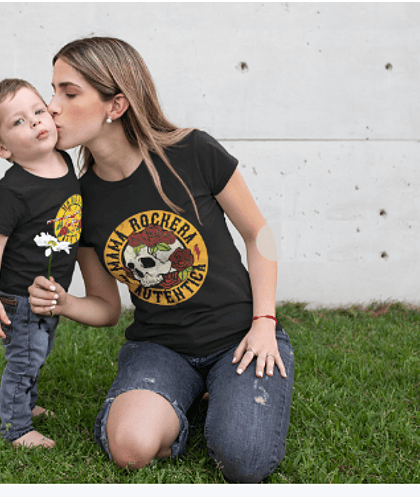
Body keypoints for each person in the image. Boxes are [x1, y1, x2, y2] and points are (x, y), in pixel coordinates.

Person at [28, 37, 294, 483]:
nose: (51, 107)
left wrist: (264, 322)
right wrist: (65, 302)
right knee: (129, 448)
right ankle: (188, 396)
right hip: (160, 346)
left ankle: (219, 394)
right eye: (52, 90)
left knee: (244, 462)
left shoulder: (192, 152)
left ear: (116, 104)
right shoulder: (81, 200)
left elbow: (258, 233)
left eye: (68, 93)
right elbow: (107, 308)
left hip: (240, 337)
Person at [0, 78, 82, 449]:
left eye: (38, 111)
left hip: (49, 293)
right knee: (25, 357)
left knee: (41, 350)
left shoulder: (64, 161)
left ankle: (27, 402)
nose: (36, 122)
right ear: (1, 148)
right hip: (19, 297)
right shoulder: (13, 189)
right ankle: (16, 428)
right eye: (18, 121)